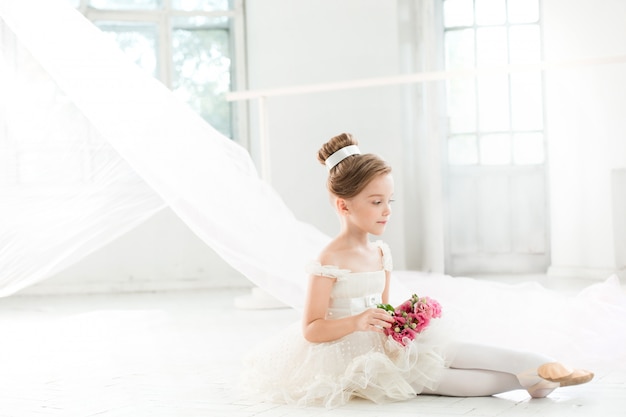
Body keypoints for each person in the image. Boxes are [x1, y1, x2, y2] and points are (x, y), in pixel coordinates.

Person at [241, 133, 594, 408]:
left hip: (386, 339)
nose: (386, 211)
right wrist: (358, 321)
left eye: (389, 201)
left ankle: (542, 363)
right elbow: (312, 329)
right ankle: (529, 380)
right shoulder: (328, 259)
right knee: (436, 378)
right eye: (376, 202)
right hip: (351, 352)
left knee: (452, 349)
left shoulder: (381, 252)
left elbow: (383, 307)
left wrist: (404, 318)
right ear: (343, 205)